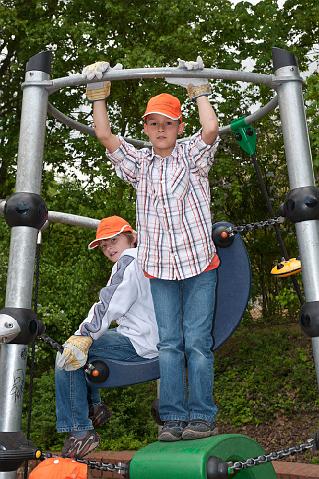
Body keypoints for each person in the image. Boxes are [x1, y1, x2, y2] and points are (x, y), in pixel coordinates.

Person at [82, 56, 220, 441]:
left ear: (179, 127)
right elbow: (106, 138)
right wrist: (98, 94)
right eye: (153, 123)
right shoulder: (140, 164)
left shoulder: (192, 157)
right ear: (146, 127)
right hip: (159, 269)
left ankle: (203, 416)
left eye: (168, 123)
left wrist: (199, 88)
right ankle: (173, 419)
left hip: (198, 265)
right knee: (169, 344)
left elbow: (210, 128)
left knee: (197, 342)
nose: (161, 129)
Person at [55, 215, 159, 457]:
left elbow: (108, 304)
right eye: (103, 245)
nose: (109, 247)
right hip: (151, 337)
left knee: (66, 356)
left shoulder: (129, 260)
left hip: (140, 342)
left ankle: (80, 431)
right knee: (83, 353)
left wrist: (82, 335)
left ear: (131, 238)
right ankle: (94, 407)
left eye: (114, 240)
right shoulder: (150, 257)